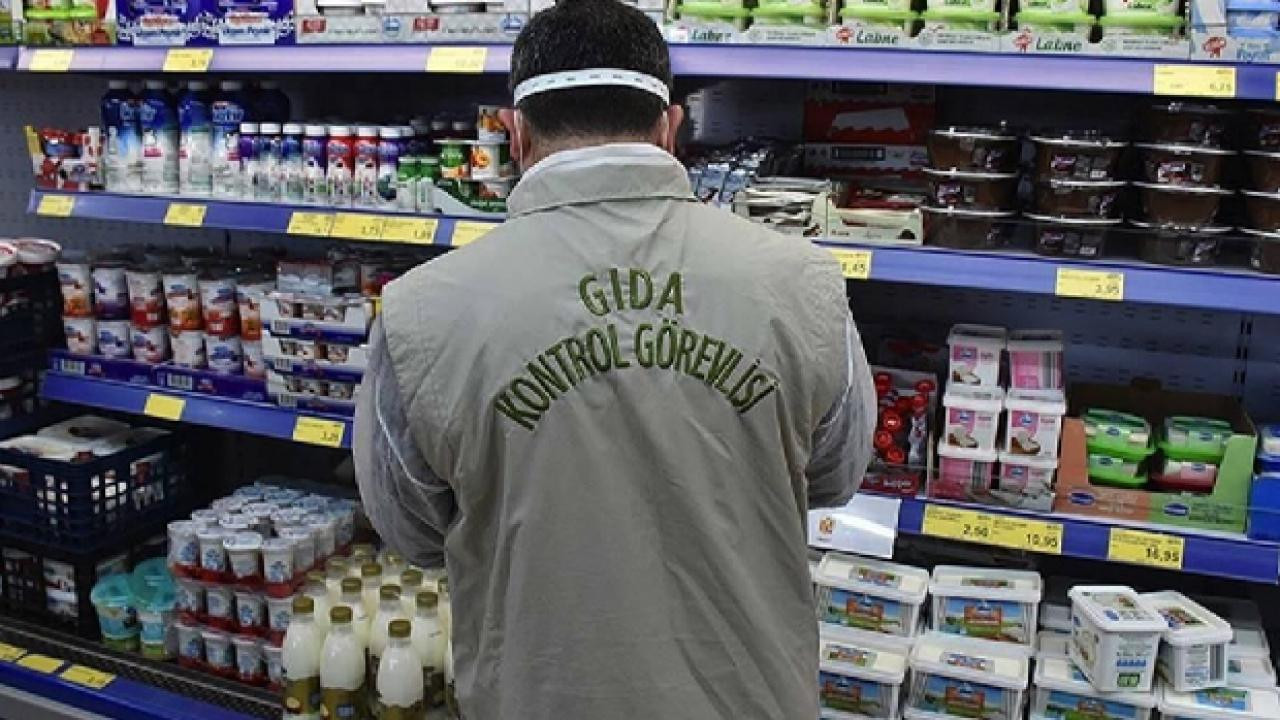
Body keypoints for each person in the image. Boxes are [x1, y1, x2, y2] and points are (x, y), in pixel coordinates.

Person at [353, 0, 876, 717]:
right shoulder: (804, 283)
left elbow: (411, 529)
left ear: (516, 134)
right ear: (670, 128)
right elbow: (834, 476)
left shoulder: (421, 310)